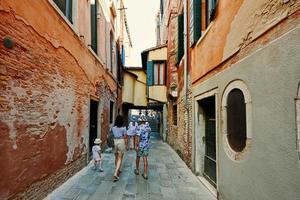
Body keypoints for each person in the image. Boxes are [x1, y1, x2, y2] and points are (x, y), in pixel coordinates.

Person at [111, 115, 127, 182]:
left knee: (116, 157)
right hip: (121, 141)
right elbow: (125, 137)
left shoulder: (113, 128)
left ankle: (118, 170)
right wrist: (125, 145)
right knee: (120, 158)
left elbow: (111, 134)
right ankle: (115, 173)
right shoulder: (123, 128)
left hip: (115, 142)